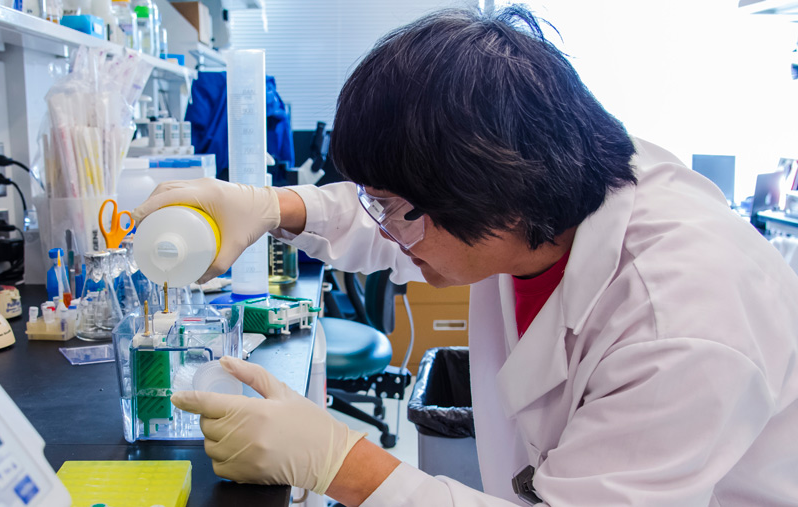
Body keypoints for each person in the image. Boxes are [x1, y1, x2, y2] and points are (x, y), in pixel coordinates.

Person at [130, 6, 798, 506]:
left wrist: (337, 460)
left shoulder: (684, 320)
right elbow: (396, 225)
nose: (385, 228)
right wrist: (271, 207)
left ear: (495, 199)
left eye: (394, 207)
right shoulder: (552, 188)